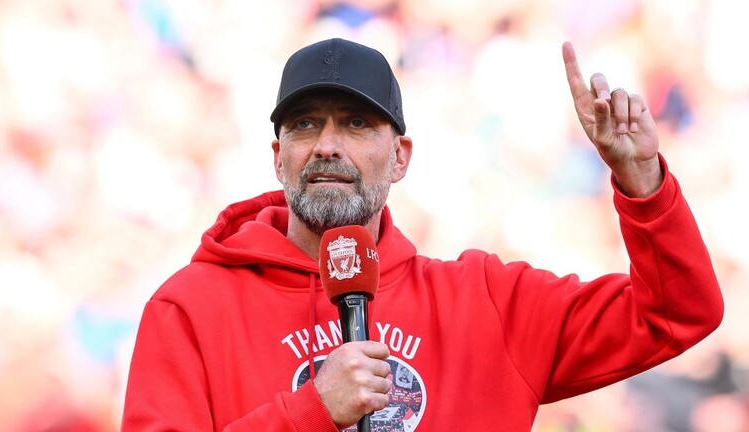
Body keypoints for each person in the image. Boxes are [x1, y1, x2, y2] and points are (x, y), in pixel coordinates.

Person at [120, 38, 723, 431]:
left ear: (401, 157)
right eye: (304, 124)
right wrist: (310, 414)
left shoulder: (486, 303)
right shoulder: (190, 308)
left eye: (356, 123)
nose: (327, 145)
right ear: (279, 157)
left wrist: (642, 182)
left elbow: (678, 313)